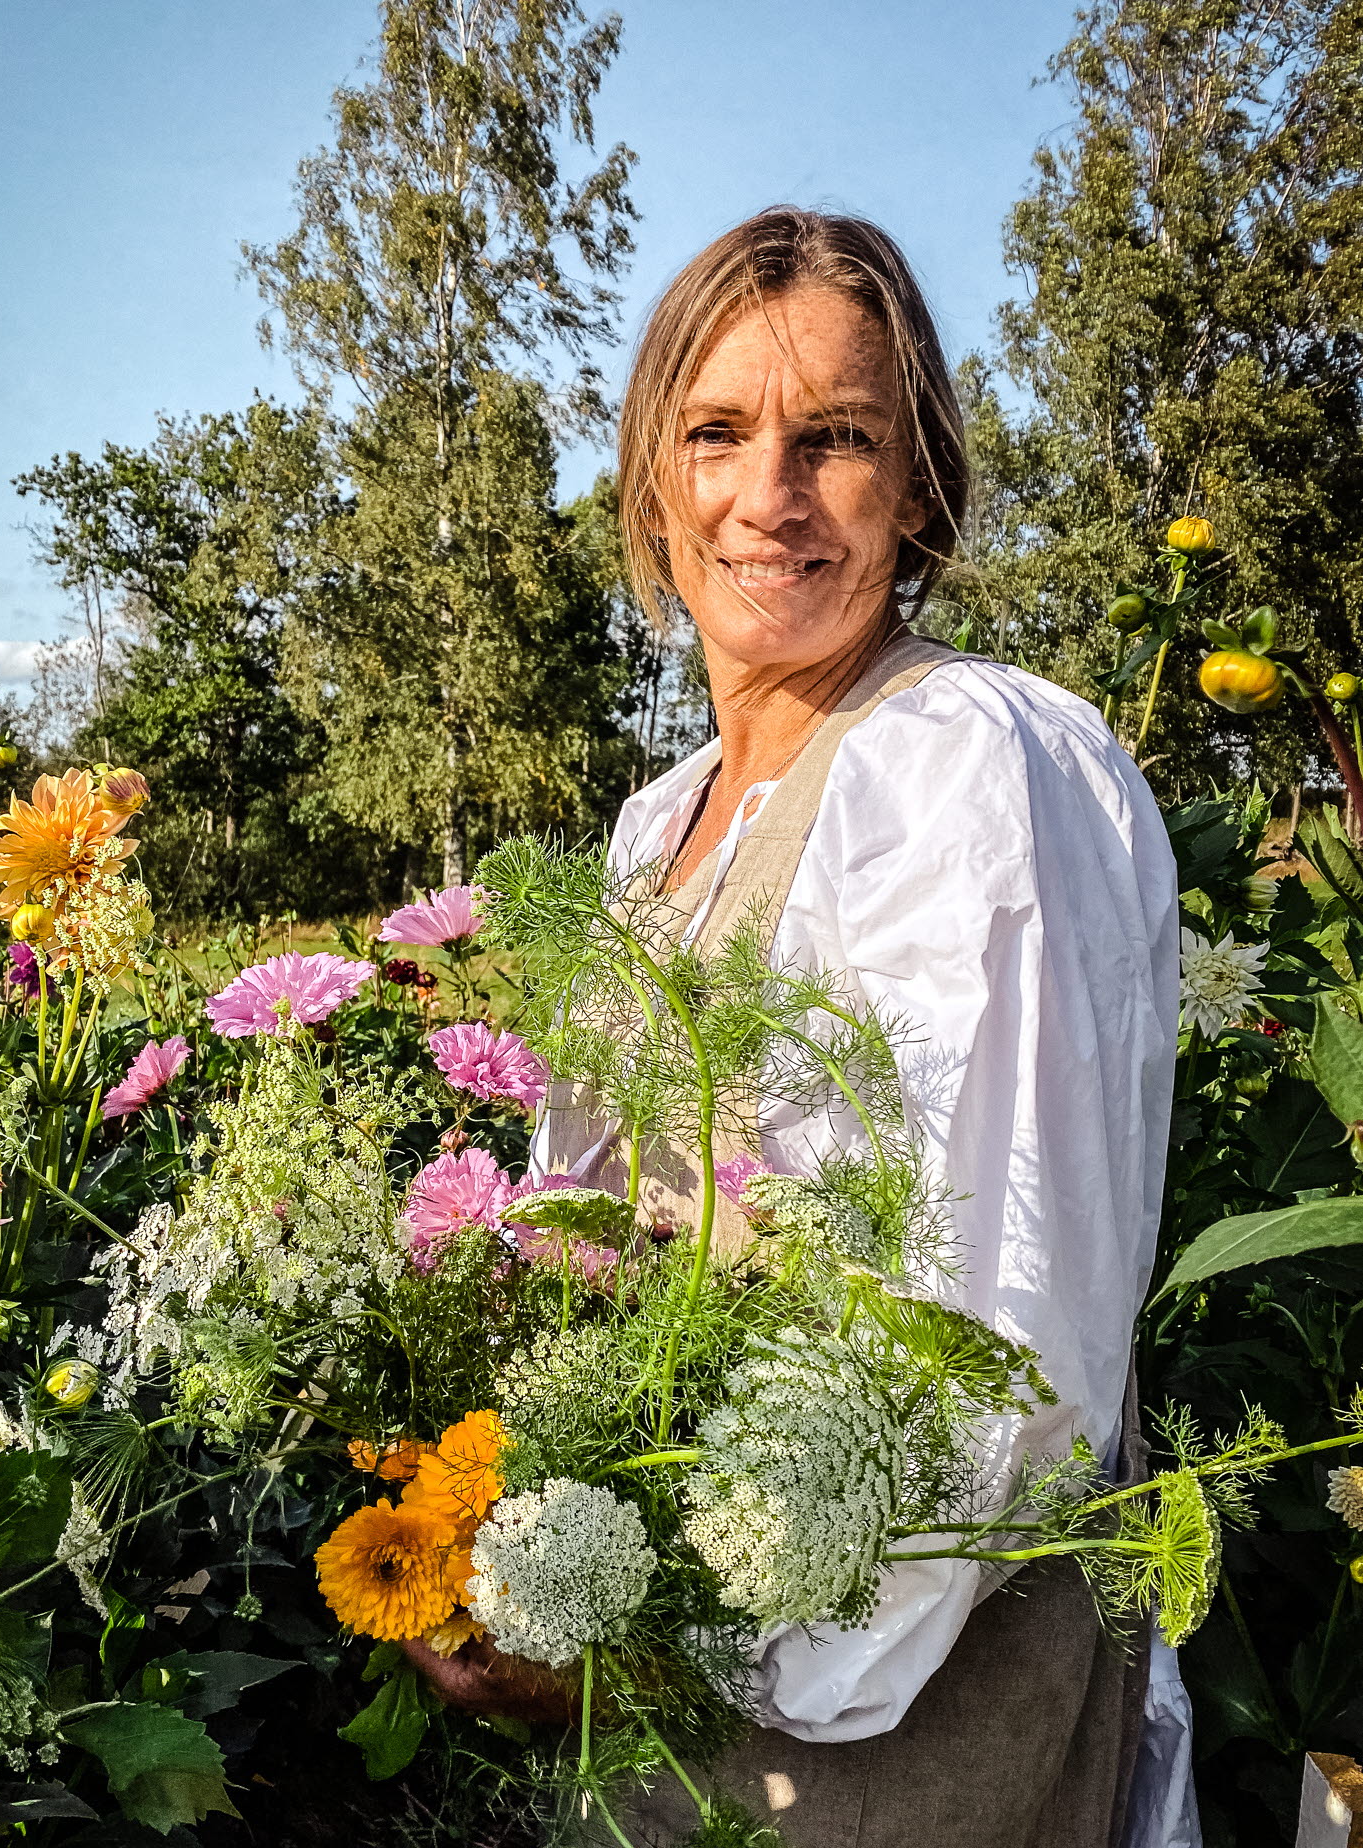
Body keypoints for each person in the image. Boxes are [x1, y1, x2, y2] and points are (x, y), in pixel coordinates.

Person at [403, 208, 1194, 1848]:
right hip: (663, 1667)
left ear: (913, 490)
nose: (767, 496)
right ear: (651, 481)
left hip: (886, 1694)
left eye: (832, 439)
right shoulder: (654, 826)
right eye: (716, 433)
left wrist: (730, 1643)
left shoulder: (962, 763)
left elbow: (995, 1333)